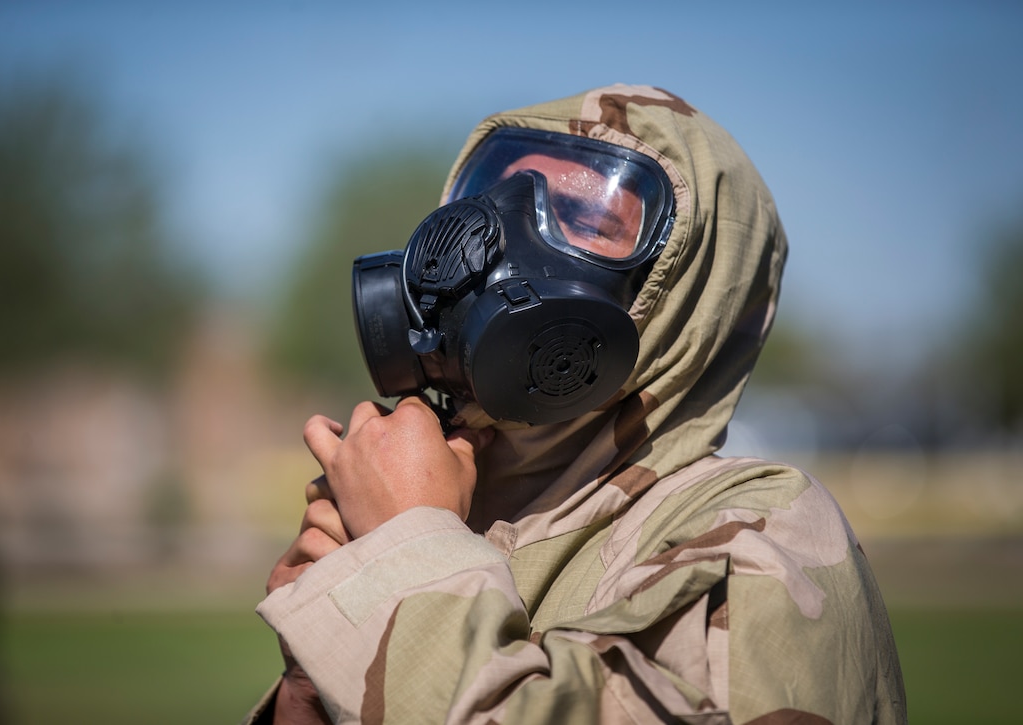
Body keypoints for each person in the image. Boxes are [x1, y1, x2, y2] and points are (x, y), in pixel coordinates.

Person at [244, 84, 907, 724]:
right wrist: (314, 682)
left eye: (586, 217)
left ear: (681, 294)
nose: (499, 238)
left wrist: (405, 559)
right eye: (490, 197)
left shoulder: (759, 534)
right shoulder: (441, 501)